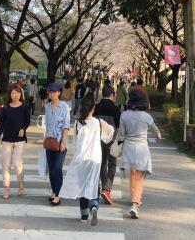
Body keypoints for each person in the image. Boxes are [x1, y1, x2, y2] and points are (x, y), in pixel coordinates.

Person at [60, 93, 114, 226]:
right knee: (93, 184)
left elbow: (75, 142)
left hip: (81, 158)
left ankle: (84, 216)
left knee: (82, 186)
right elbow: (111, 131)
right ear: (93, 109)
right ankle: (94, 206)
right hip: (95, 158)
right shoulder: (98, 122)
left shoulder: (78, 123)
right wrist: (103, 138)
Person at [118, 89, 161, 219]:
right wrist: (158, 135)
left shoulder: (124, 115)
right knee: (139, 177)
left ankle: (134, 197)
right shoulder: (146, 117)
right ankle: (135, 204)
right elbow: (155, 129)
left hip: (128, 147)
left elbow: (121, 133)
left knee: (132, 173)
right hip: (142, 148)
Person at [0, 84, 30, 199]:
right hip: (7, 139)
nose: (15, 95)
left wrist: (23, 129)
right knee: (6, 165)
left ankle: (20, 182)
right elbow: (1, 124)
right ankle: (7, 188)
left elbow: (27, 121)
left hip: (20, 140)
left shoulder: (24, 107)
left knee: (17, 163)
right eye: (13, 93)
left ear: (20, 94)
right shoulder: (6, 108)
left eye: (18, 93)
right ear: (10, 94)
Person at [44, 82, 71, 206]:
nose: (51, 94)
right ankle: (54, 192)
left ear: (59, 92)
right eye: (50, 92)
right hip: (49, 141)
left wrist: (63, 142)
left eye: (54, 92)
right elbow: (47, 125)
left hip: (60, 142)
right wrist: (44, 139)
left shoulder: (64, 107)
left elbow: (66, 126)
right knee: (51, 169)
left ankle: (57, 194)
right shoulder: (47, 107)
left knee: (57, 168)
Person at [94, 85, 121, 205]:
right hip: (112, 140)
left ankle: (104, 188)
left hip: (98, 140)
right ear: (111, 95)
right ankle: (106, 189)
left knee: (102, 164)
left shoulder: (96, 107)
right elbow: (119, 126)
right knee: (112, 164)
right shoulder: (115, 109)